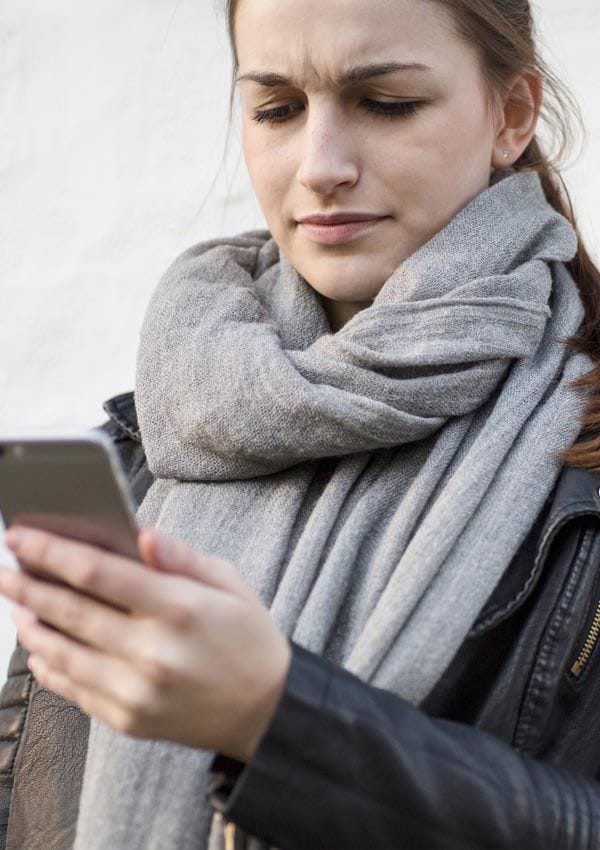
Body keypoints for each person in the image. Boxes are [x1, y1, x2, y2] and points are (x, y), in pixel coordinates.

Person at [1, 0, 600, 847]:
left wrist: (277, 719)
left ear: (512, 116)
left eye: (386, 103)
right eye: (277, 108)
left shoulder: (582, 459)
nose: (320, 166)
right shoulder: (156, 439)